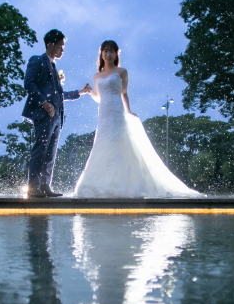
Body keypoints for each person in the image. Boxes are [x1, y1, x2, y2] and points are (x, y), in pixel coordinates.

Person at [72, 40, 201, 198]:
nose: (108, 54)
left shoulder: (122, 72)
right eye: (105, 51)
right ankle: (100, 186)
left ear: (116, 54)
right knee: (103, 145)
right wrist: (89, 92)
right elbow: (100, 97)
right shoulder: (96, 75)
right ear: (101, 53)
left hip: (117, 110)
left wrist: (128, 111)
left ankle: (127, 186)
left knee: (121, 145)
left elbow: (123, 94)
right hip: (104, 114)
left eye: (111, 51)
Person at [22, 29, 92, 197]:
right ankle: (33, 187)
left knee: (50, 153)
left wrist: (80, 92)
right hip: (43, 114)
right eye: (60, 46)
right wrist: (44, 103)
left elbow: (58, 95)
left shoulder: (54, 67)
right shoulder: (37, 60)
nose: (62, 50)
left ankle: (45, 185)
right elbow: (28, 83)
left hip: (56, 117)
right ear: (50, 45)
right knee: (40, 150)